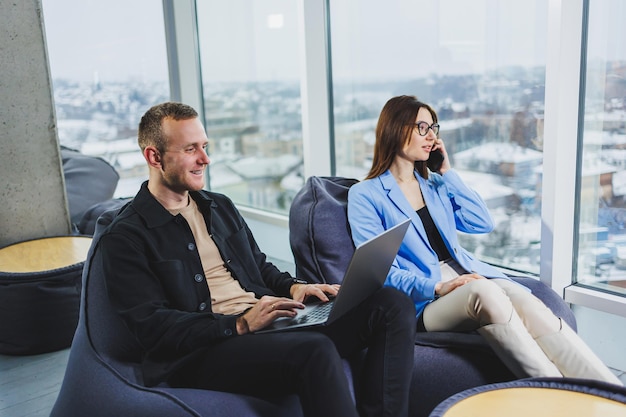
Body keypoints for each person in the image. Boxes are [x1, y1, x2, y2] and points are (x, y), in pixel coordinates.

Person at [98, 101, 417, 417]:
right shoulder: (125, 238)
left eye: (205, 146)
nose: (205, 158)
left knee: (391, 304)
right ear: (154, 157)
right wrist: (238, 324)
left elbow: (259, 267)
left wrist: (295, 288)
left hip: (265, 326)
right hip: (203, 352)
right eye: (190, 149)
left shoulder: (218, 206)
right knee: (314, 351)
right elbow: (153, 328)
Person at [347, 94, 622, 385]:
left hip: (464, 276)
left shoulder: (435, 184)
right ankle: (558, 392)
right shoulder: (366, 196)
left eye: (434, 128)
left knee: (522, 298)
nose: (431, 137)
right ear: (396, 129)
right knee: (487, 293)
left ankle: (609, 391)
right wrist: (438, 286)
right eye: (422, 128)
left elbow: (482, 222)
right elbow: (380, 275)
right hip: (423, 300)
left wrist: (447, 172)